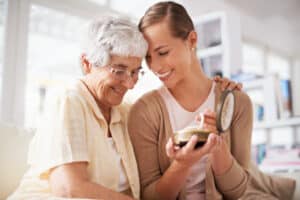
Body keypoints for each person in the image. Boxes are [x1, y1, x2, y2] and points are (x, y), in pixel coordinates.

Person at [128, 1, 295, 200]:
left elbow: (239, 191)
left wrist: (218, 147)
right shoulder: (144, 112)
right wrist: (182, 164)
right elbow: (150, 196)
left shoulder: (237, 102)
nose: (156, 66)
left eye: (163, 53)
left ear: (192, 40)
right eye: (148, 57)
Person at [8, 15, 148, 200]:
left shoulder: (123, 111)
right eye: (119, 71)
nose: (130, 84)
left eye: (135, 72)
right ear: (87, 64)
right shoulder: (68, 101)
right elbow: (69, 189)